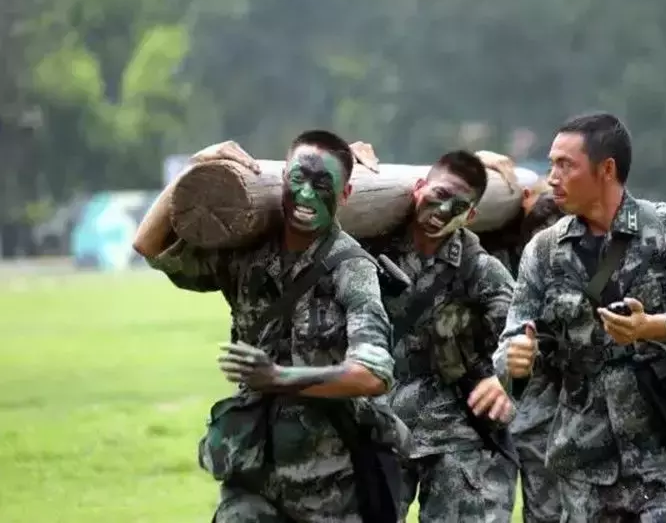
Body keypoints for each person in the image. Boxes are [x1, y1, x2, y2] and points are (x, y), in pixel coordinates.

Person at [132, 131, 407, 523]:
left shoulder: (352, 268)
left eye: (323, 184)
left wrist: (279, 377)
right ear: (282, 179)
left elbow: (373, 374)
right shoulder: (247, 254)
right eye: (298, 179)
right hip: (254, 476)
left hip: (333, 486)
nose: (307, 194)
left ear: (344, 196)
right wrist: (196, 167)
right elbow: (148, 244)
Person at [493, 112, 666, 521]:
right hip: (584, 465)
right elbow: (515, 336)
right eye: (551, 164)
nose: (552, 177)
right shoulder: (544, 250)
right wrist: (514, 359)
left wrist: (651, 327)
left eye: (565, 165)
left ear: (606, 169)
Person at [362, 150, 516, 523]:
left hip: (458, 435)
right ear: (419, 188)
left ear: (472, 216)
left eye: (458, 206)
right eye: (438, 195)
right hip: (380, 428)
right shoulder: (371, 246)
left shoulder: (478, 270)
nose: (442, 211)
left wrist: (505, 377)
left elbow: (527, 327)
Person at [474, 150, 564, 523]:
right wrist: (479, 162)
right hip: (485, 411)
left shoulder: (588, 249)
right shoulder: (491, 245)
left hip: (547, 416)